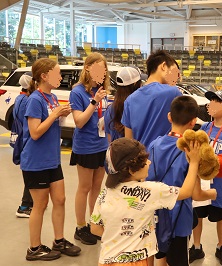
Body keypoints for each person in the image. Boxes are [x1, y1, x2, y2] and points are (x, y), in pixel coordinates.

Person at [90, 137, 201, 266]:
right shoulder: (150, 191)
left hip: (106, 260)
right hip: (136, 261)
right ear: (132, 170)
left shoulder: (105, 192)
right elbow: (186, 192)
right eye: (144, 162)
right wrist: (194, 163)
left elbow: (95, 228)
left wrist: (122, 236)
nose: (149, 162)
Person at [147, 96, 217, 266]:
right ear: (193, 122)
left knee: (159, 254)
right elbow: (195, 194)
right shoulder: (192, 152)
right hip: (178, 219)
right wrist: (212, 194)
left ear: (169, 117)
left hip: (154, 215)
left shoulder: (154, 145)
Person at [21, 58, 80, 261]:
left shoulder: (52, 97)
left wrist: (61, 114)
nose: (60, 77)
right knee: (40, 204)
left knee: (60, 200)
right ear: (44, 76)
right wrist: (55, 114)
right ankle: (34, 248)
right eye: (57, 73)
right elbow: (35, 132)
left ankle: (59, 239)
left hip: (52, 160)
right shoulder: (35, 99)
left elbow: (52, 123)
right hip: (36, 162)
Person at [190, 89, 222, 266]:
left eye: (217, 101)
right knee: (198, 215)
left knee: (220, 216)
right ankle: (196, 247)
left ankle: (221, 246)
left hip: (221, 184)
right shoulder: (205, 128)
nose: (212, 103)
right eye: (211, 100)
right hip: (202, 183)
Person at [69, 52, 110, 245]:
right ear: (87, 68)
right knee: (84, 187)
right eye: (97, 69)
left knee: (97, 187)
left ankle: (94, 224)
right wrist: (94, 102)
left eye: (104, 69)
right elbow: (79, 122)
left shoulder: (103, 90)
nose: (101, 73)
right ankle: (80, 226)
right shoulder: (78, 92)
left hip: (101, 144)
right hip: (85, 146)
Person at [121, 50, 182, 148]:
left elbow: (129, 141)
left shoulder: (130, 100)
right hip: (164, 159)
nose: (177, 78)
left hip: (141, 160)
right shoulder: (173, 92)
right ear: (163, 66)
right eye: (176, 73)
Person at [104, 66, 147, 142]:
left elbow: (109, 139)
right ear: (135, 84)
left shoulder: (111, 109)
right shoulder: (140, 108)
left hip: (117, 152)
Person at [14, 72, 33, 218]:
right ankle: (24, 206)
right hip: (27, 142)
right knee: (30, 175)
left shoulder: (19, 98)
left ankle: (30, 202)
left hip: (22, 140)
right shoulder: (28, 101)